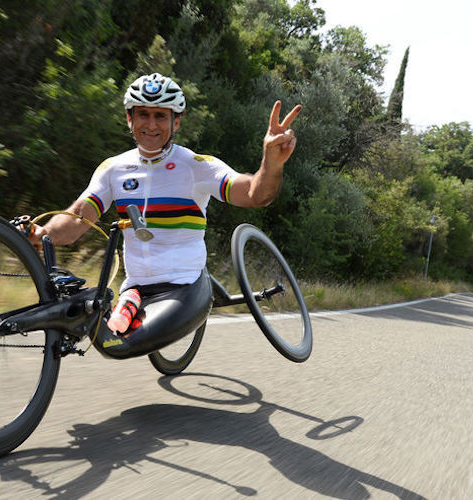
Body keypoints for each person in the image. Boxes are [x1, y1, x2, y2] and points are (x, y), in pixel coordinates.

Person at [27, 73, 301, 358]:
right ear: (129, 119)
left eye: (161, 115)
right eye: (143, 114)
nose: (151, 124)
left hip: (184, 286)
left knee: (116, 347)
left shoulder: (197, 166)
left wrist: (271, 162)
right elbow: (77, 218)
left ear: (176, 122)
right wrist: (42, 234)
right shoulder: (113, 169)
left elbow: (256, 194)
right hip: (135, 289)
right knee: (101, 334)